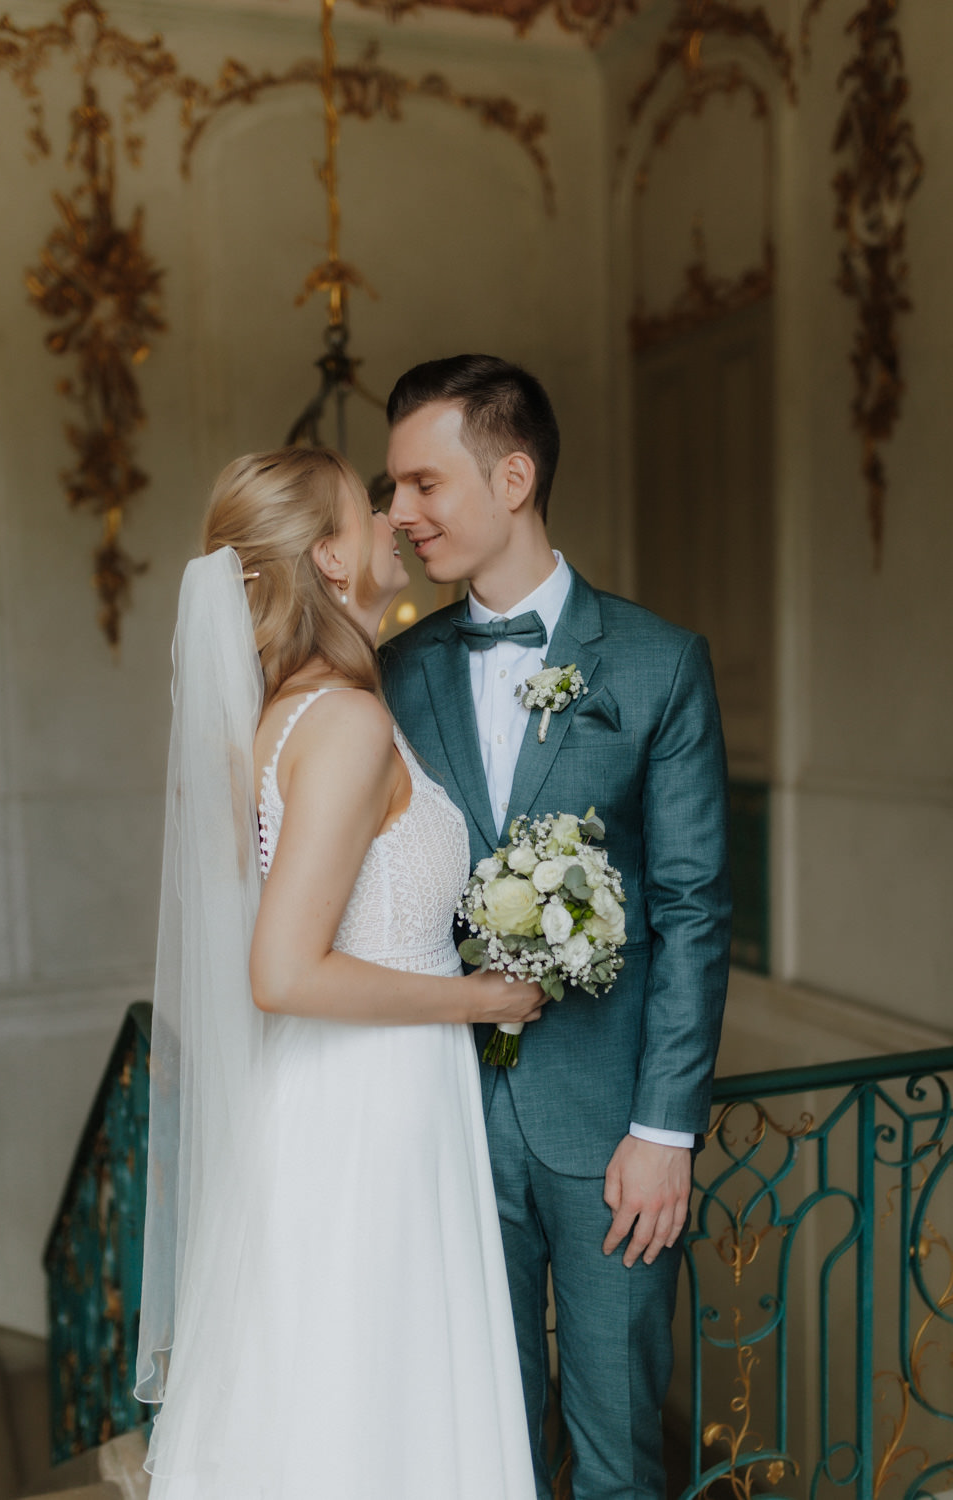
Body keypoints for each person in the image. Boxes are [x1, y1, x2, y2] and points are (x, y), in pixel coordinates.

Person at [135, 446, 545, 1500]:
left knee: (337, 1398)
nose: (393, 522)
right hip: (372, 1107)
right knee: (378, 1407)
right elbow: (282, 969)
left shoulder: (286, 715)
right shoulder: (349, 725)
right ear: (329, 556)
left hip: (335, 1095)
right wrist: (482, 996)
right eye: (370, 510)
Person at [379, 356, 732, 1500]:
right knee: (471, 1444)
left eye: (422, 484)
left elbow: (691, 906)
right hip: (438, 1121)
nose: (400, 515)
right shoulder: (393, 672)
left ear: (514, 475)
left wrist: (664, 1131)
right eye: (392, 490)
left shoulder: (657, 663)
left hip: (606, 1136)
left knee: (621, 1448)